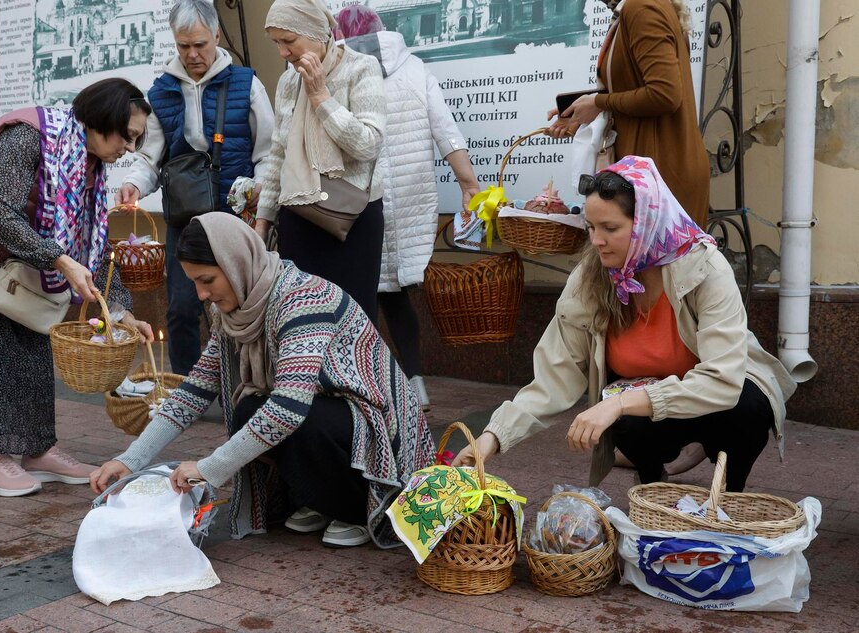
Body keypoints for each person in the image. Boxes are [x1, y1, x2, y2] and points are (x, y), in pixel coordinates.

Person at [453, 156, 796, 492]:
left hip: (713, 398)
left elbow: (722, 381)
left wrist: (618, 403)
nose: (596, 241)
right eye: (591, 227)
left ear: (647, 221)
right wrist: (493, 437)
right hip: (651, 408)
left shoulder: (705, 268)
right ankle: (651, 484)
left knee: (748, 408)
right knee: (626, 420)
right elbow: (554, 378)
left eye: (610, 228)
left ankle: (732, 495)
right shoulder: (590, 278)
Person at [91, 213, 435, 548]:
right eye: (194, 282)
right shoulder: (233, 310)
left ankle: (358, 508)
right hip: (331, 414)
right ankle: (323, 500)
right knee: (249, 409)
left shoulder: (302, 299)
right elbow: (194, 391)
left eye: (207, 280)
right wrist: (131, 460)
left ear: (235, 264)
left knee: (300, 417)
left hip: (382, 430)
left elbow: (289, 408)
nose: (201, 294)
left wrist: (209, 468)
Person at [0, 78, 155, 497]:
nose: (130, 148)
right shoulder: (28, 136)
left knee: (32, 337)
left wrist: (121, 310)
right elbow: (4, 215)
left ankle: (37, 449)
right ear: (101, 120)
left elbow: (93, 246)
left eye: (137, 139)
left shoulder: (86, 162)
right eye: (127, 136)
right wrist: (60, 259)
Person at [117, 0, 275, 376]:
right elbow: (150, 158)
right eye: (183, 45)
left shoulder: (247, 84)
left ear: (216, 36)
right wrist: (133, 184)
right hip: (184, 219)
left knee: (242, 305)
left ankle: (247, 383)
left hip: (235, 216)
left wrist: (261, 199)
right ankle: (187, 387)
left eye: (200, 44)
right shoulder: (161, 92)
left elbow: (268, 152)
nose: (192, 54)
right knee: (181, 307)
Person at [336, 6, 481, 412]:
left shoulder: (337, 71)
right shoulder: (414, 69)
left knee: (358, 295)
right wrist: (468, 183)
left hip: (357, 199)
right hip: (408, 201)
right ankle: (415, 385)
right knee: (397, 294)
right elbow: (445, 129)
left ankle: (367, 386)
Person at [255, 0, 387, 325]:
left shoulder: (361, 68)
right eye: (276, 43)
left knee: (354, 321)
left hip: (353, 218)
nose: (283, 52)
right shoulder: (288, 82)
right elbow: (278, 153)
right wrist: (263, 221)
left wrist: (321, 98)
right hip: (299, 214)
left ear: (316, 32)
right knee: (301, 318)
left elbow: (368, 145)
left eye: (289, 40)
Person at [548, 0, 709, 227]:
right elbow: (636, 85)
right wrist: (586, 108)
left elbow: (665, 95)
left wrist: (599, 102)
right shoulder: (639, 8)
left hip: (660, 174)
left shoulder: (641, 7)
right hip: (652, 171)